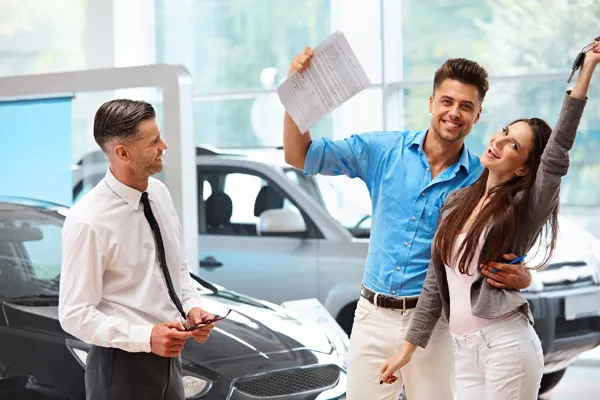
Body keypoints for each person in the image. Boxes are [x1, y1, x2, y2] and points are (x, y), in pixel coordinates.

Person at [284, 49, 532, 399]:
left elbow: (505, 248)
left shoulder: (481, 181)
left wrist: (524, 275)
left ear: (478, 115)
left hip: (435, 325)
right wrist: (299, 93)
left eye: (466, 106)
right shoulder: (383, 151)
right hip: (372, 316)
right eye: (447, 101)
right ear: (431, 102)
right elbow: (300, 154)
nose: (454, 112)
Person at [379, 37, 600, 399]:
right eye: (504, 132)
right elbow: (436, 284)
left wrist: (587, 69)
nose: (499, 141)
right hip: (463, 350)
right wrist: (406, 350)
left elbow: (558, 149)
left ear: (524, 169)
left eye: (514, 145)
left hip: (506, 344)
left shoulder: (522, 209)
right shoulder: (457, 202)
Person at [59, 99, 215, 400]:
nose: (164, 145)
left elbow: (176, 269)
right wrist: (146, 337)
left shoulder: (159, 193)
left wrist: (193, 307)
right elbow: (74, 313)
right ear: (123, 153)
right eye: (153, 141)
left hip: (171, 360)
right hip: (120, 368)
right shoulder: (88, 220)